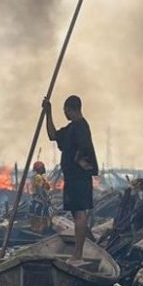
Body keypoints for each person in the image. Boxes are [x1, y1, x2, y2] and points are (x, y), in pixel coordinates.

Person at [45, 95, 99, 263]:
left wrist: (78, 161)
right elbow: (53, 135)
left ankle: (78, 254)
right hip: (72, 178)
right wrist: (48, 112)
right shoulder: (71, 129)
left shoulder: (81, 126)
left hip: (79, 178)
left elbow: (84, 149)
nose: (65, 114)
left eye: (65, 111)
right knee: (77, 213)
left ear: (70, 109)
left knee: (80, 213)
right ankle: (77, 252)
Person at [29, 160, 52, 233]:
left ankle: (36, 231)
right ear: (40, 169)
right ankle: (40, 233)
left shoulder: (37, 177)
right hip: (40, 202)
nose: (44, 169)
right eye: (43, 167)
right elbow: (39, 190)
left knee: (36, 218)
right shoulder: (38, 177)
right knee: (42, 219)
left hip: (36, 201)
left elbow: (46, 188)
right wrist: (44, 200)